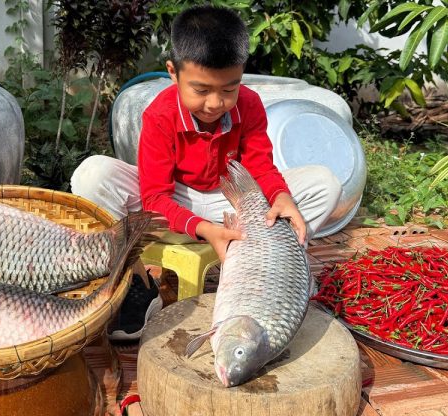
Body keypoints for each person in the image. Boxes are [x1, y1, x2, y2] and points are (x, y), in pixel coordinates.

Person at [71, 5, 342, 341]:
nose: (215, 103)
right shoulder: (160, 114)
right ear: (173, 72)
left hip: (230, 205)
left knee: (325, 185)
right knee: (92, 175)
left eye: (229, 89)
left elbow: (261, 166)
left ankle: (274, 265)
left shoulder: (251, 105)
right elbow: (154, 196)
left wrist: (281, 196)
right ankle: (137, 286)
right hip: (169, 206)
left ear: (242, 74)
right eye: (201, 90)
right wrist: (204, 230)